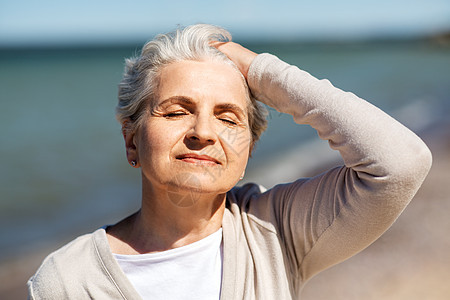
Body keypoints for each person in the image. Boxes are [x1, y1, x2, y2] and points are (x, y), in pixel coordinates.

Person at [27, 24, 432, 299]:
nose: (203, 131)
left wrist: (260, 70)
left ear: (250, 149)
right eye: (176, 111)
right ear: (131, 141)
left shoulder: (274, 232)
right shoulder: (67, 279)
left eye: (227, 117)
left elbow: (400, 162)